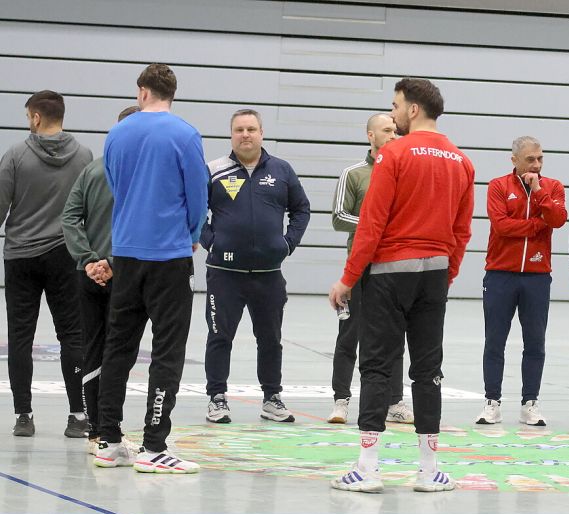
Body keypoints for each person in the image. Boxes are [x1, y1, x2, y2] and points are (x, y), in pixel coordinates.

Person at [327, 78, 474, 493]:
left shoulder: (393, 154)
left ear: (412, 109)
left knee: (376, 365)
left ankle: (368, 467)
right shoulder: (462, 161)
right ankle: (429, 470)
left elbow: (372, 224)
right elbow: (462, 230)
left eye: (395, 106)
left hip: (389, 274)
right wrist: (447, 273)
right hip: (434, 275)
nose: (392, 115)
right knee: (428, 371)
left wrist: (347, 278)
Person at [93, 63, 209, 474]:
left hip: (126, 253)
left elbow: (113, 183)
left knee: (119, 346)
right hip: (168, 256)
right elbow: (198, 193)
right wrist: (192, 232)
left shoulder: (117, 133)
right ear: (171, 94)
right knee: (167, 351)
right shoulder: (184, 134)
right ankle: (154, 445)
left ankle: (107, 439)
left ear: (142, 92)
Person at [200, 109, 311, 424]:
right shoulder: (213, 170)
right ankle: (217, 397)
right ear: (231, 134)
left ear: (262, 133)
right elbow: (193, 212)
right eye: (239, 130)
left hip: (268, 275)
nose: (245, 135)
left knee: (271, 338)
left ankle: (271, 397)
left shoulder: (281, 170)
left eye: (251, 129)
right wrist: (212, 241)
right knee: (220, 336)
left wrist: (287, 243)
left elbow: (301, 209)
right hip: (224, 275)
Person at [0, 90, 91, 438]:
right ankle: (78, 416)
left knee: (20, 337)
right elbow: (89, 208)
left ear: (36, 118)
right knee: (73, 334)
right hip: (66, 256)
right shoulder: (83, 156)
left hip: (21, 255)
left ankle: (24, 416)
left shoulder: (16, 155)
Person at [62, 105, 141, 454]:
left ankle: (96, 428)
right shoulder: (142, 175)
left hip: (89, 275)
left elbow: (69, 217)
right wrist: (106, 261)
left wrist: (89, 260)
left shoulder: (91, 170)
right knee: (119, 351)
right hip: (127, 273)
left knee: (94, 347)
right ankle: (111, 428)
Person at [475, 136, 567, 426]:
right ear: (514, 160)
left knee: (535, 342)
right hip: (500, 274)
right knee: (495, 341)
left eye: (540, 159)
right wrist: (538, 225)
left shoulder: (552, 187)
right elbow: (501, 226)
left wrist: (538, 191)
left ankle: (530, 403)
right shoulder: (498, 186)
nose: (536, 165)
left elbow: (558, 219)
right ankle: (492, 402)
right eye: (530, 159)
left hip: (538, 278)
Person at [329, 113, 412, 425]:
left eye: (395, 131)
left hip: (394, 268)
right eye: (386, 131)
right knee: (350, 335)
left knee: (394, 337)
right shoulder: (354, 174)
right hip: (360, 268)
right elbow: (338, 217)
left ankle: (395, 402)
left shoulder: (406, 173)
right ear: (370, 136)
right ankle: (341, 400)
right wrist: (375, 228)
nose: (392, 135)